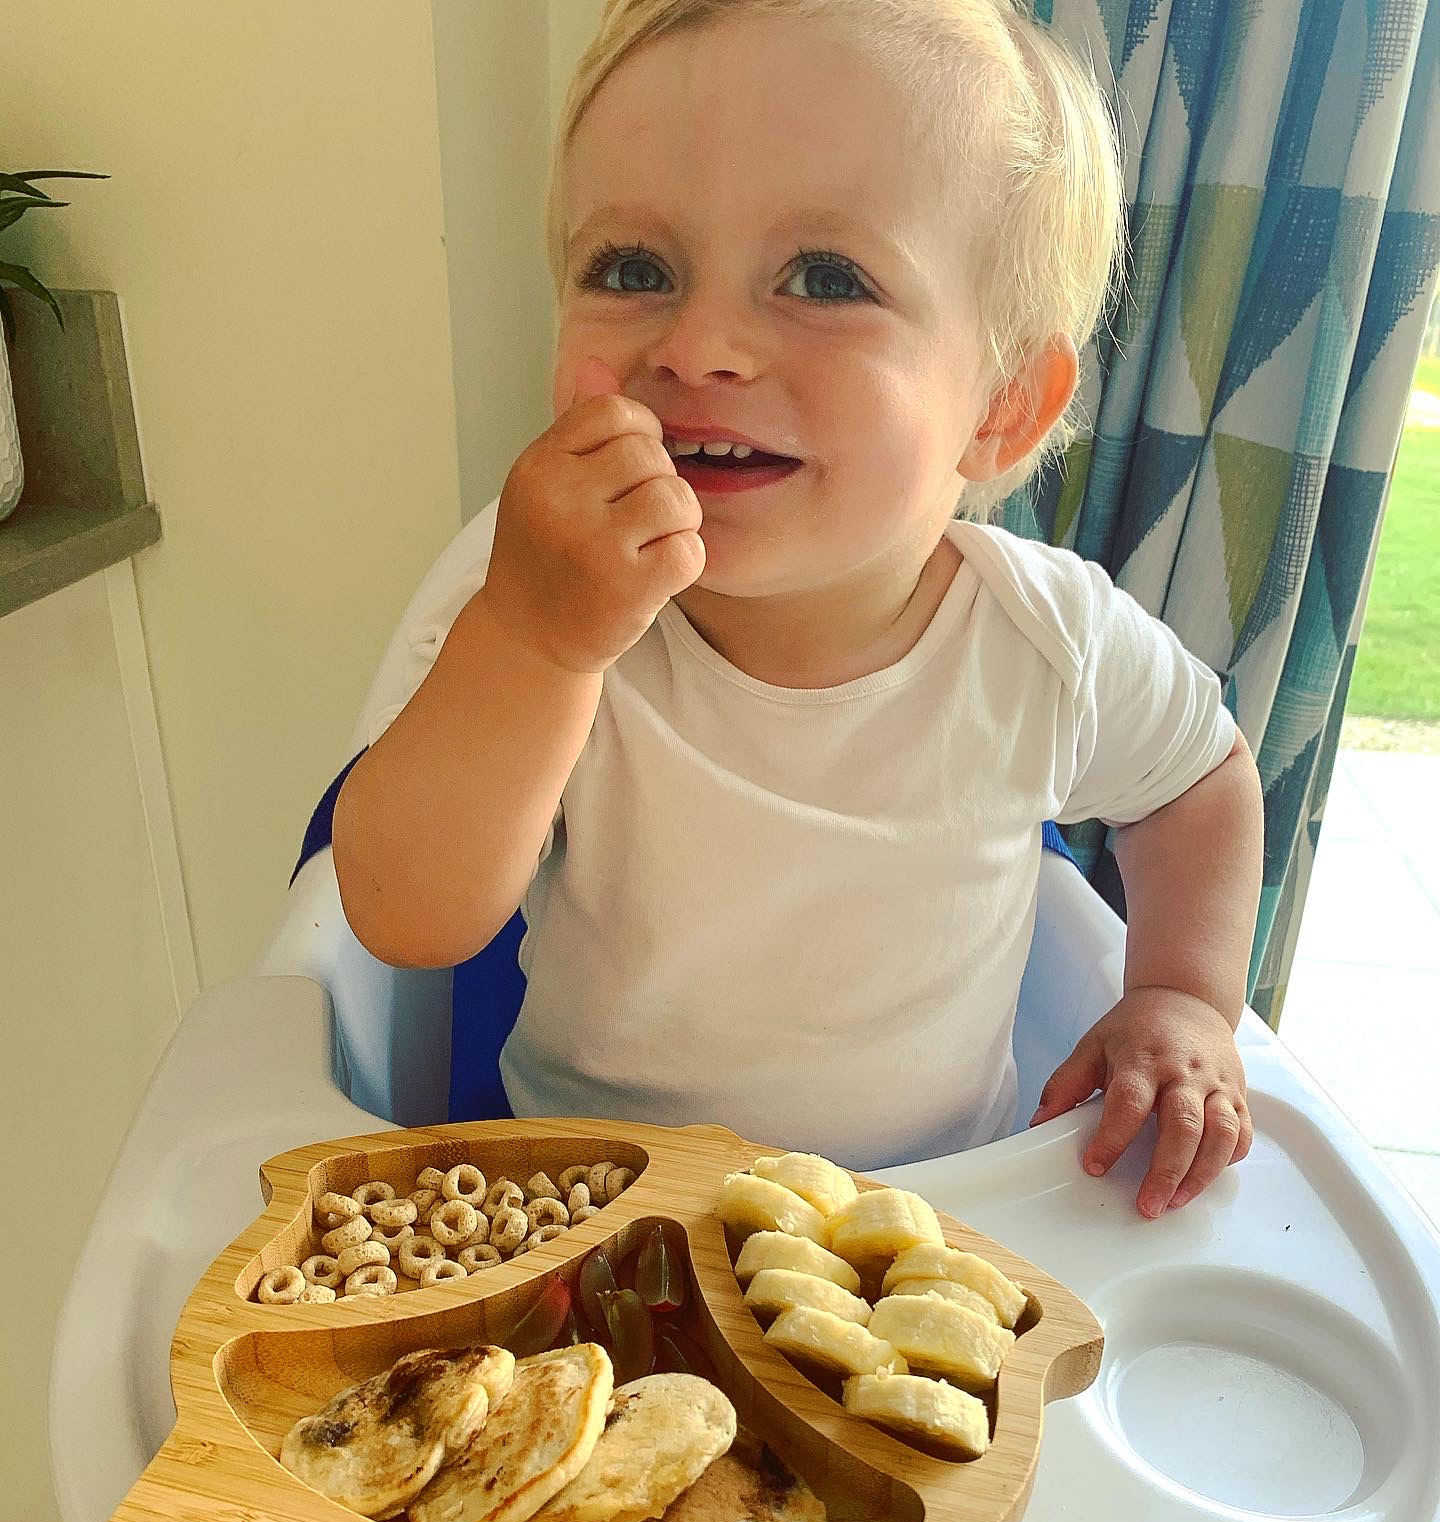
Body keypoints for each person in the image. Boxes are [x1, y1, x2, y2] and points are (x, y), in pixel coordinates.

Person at [332, 0, 1265, 1220]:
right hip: (599, 1223)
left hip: (931, 1235)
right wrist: (533, 644)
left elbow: (1199, 781)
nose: (700, 344)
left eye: (825, 278)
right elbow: (404, 919)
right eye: (633, 269)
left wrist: (1182, 995)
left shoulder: (1050, 643)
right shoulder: (533, 599)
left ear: (1002, 407)